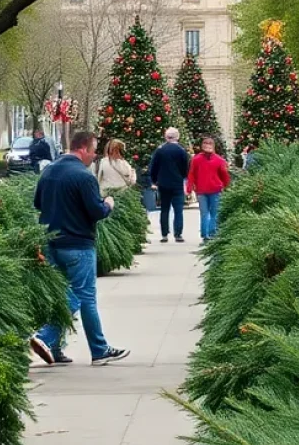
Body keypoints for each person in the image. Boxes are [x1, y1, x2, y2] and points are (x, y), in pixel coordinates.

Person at [31, 130, 130, 366]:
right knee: (82, 295)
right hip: (78, 243)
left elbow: (37, 203)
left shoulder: (50, 171)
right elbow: (96, 212)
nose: (94, 156)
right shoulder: (84, 176)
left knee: (60, 294)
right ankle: (93, 348)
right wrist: (108, 204)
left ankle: (54, 348)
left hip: (52, 240)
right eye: (94, 150)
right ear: (83, 149)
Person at [149, 127, 191, 243]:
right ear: (177, 137)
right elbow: (185, 168)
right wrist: (183, 177)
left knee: (164, 209)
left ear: (166, 137)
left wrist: (154, 180)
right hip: (177, 183)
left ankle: (164, 234)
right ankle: (178, 234)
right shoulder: (181, 150)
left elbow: (154, 167)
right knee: (178, 210)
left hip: (163, 183)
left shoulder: (160, 150)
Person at [186, 135, 231, 241]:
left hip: (204, 190)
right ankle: (211, 233)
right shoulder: (219, 160)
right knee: (213, 213)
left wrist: (189, 188)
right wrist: (226, 186)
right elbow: (224, 175)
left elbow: (191, 174)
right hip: (212, 190)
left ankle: (206, 234)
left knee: (205, 213)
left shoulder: (197, 159)